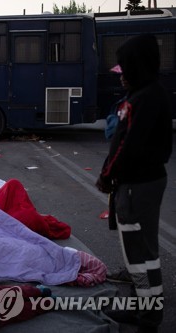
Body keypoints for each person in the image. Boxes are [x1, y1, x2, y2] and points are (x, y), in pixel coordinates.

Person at [96, 34, 172, 332]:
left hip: (136, 184)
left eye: (125, 68)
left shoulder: (143, 99)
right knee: (144, 252)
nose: (122, 76)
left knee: (138, 253)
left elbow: (127, 146)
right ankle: (145, 307)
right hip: (142, 181)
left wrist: (106, 176)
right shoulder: (151, 93)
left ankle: (148, 315)